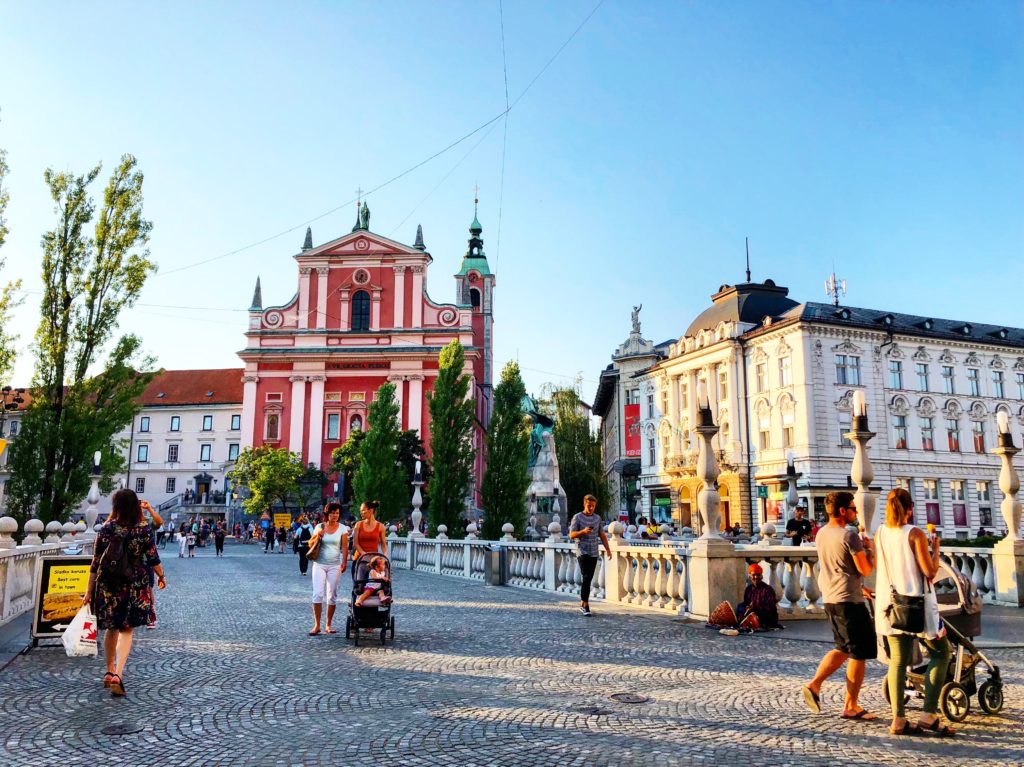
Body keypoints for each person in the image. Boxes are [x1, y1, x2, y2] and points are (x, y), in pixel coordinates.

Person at [875, 488, 956, 736]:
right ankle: (928, 714)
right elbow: (930, 571)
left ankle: (898, 719)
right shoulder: (915, 534)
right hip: (917, 605)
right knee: (942, 653)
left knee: (898, 660)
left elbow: (880, 566)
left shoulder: (880, 533)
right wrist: (936, 549)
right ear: (910, 508)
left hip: (890, 604)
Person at [84, 488, 166, 697]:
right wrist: (161, 576)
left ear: (116, 506)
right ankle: (119, 674)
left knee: (111, 627)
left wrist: (88, 591)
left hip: (109, 584)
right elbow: (153, 558)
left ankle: (109, 671)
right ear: (135, 505)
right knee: (127, 629)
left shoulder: (106, 529)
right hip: (134, 584)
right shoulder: (142, 529)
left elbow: (95, 563)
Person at [803, 491, 877, 720]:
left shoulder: (822, 534)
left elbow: (838, 565)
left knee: (843, 647)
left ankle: (815, 686)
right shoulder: (850, 536)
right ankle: (850, 705)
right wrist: (870, 549)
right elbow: (865, 569)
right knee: (858, 652)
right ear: (843, 510)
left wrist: (859, 587)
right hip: (849, 602)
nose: (856, 512)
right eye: (853, 508)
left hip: (831, 597)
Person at [308, 502, 349, 635]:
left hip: (335, 565)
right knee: (318, 594)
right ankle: (317, 625)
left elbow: (344, 547)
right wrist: (318, 535)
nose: (334, 515)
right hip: (319, 564)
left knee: (332, 596)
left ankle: (328, 625)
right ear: (327, 514)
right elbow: (310, 543)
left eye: (337, 513)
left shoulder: (343, 528)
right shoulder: (319, 526)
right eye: (332, 513)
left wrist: (344, 562)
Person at [567, 494, 611, 616]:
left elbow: (602, 535)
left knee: (589, 577)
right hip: (582, 550)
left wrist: (608, 549)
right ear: (584, 504)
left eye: (593, 506)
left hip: (593, 551)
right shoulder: (577, 517)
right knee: (586, 576)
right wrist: (583, 532)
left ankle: (583, 602)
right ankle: (585, 604)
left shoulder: (597, 518)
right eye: (588, 505)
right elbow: (571, 535)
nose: (591, 508)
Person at [737, 563, 780, 629]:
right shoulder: (748, 589)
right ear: (750, 576)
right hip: (753, 612)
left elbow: (770, 607)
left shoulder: (767, 589)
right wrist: (747, 607)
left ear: (762, 576)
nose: (756, 577)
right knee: (740, 607)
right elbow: (746, 603)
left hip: (766, 616)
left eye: (758, 575)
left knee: (761, 614)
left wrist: (754, 608)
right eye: (754, 575)